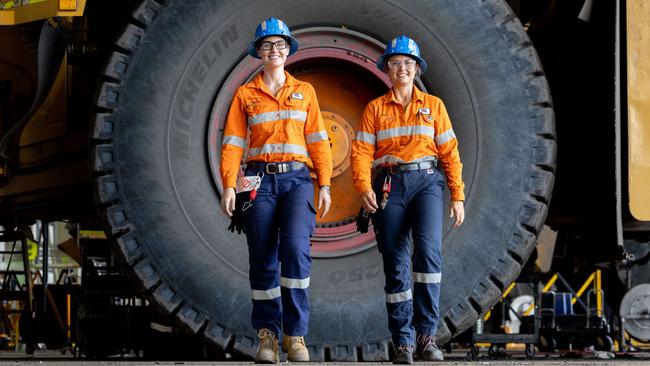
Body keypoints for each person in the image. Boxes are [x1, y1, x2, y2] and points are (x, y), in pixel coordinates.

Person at [220, 17, 333, 364]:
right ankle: (267, 337)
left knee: (297, 252)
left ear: (288, 51)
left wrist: (325, 183)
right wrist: (229, 185)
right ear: (258, 52)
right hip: (258, 181)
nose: (274, 51)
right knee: (263, 258)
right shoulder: (245, 95)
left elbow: (318, 141)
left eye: (280, 45)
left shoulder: (305, 92)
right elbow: (233, 143)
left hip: (297, 181)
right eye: (267, 45)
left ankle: (295, 336)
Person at [351, 35, 465, 364]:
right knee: (395, 262)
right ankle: (403, 341)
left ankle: (427, 337)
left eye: (408, 63)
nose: (402, 68)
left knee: (428, 255)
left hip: (427, 183)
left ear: (417, 69)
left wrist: (457, 195)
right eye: (396, 63)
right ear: (387, 68)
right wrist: (364, 188)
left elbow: (450, 153)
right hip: (389, 186)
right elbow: (360, 153)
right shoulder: (375, 109)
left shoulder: (434, 107)